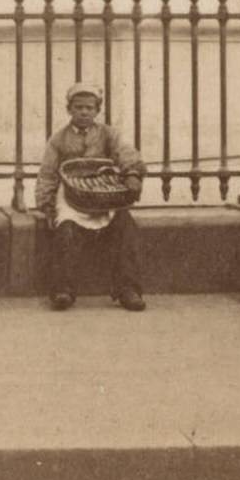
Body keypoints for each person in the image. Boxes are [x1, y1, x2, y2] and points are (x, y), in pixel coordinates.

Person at [34, 80, 146, 311]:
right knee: (64, 230)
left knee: (126, 227)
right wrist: (46, 203)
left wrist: (132, 172)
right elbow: (47, 173)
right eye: (78, 107)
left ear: (97, 110)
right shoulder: (58, 139)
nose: (84, 112)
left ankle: (128, 289)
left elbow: (126, 153)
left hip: (105, 193)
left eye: (89, 108)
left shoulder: (108, 134)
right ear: (69, 109)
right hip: (72, 197)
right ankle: (63, 290)